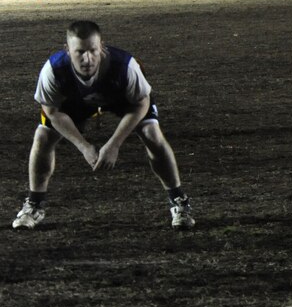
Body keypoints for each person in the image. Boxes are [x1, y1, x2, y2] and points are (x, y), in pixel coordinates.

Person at [11, 20, 195, 230]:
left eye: (92, 50)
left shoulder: (125, 66)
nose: (87, 58)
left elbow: (141, 104)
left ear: (102, 48)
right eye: (79, 52)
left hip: (122, 100)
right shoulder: (53, 70)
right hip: (76, 102)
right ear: (67, 50)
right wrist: (84, 146)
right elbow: (52, 112)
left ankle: (179, 201)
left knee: (152, 133)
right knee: (43, 136)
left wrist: (114, 144)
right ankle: (33, 204)